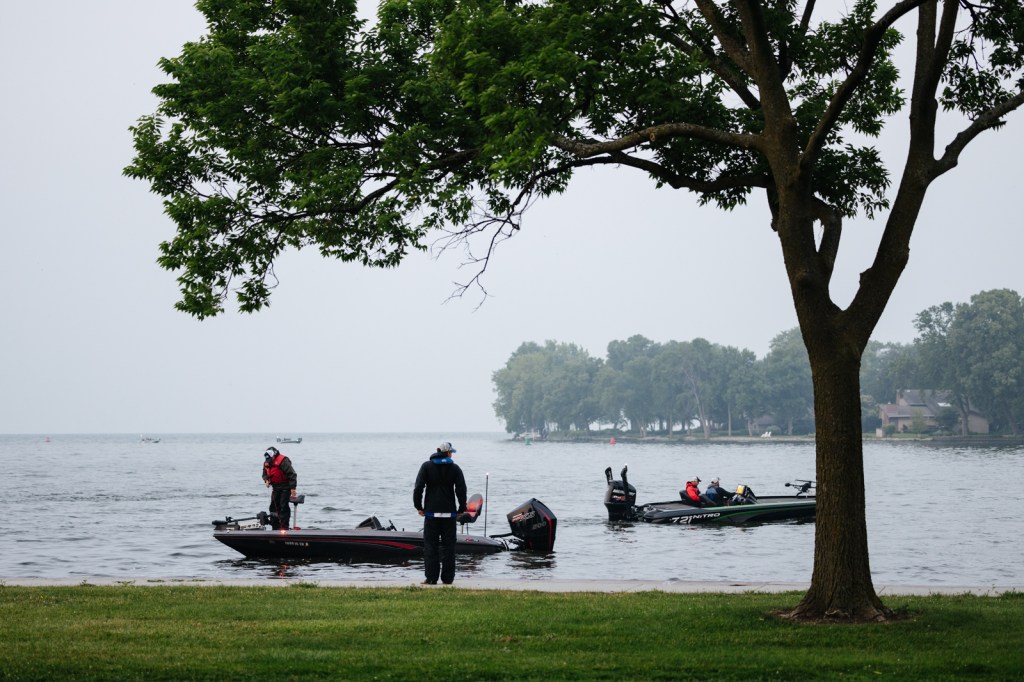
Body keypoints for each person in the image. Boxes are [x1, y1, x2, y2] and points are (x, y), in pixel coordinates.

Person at [413, 441, 467, 585]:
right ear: (448, 453)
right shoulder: (455, 468)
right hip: (449, 514)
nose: (451, 455)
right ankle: (448, 578)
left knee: (431, 547)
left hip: (431, 514)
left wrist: (418, 506)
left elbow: (418, 487)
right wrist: (461, 509)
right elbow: (461, 489)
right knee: (449, 547)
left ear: (437, 451)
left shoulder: (426, 466)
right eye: (451, 452)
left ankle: (431, 578)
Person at [262, 446, 297, 530]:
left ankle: (284, 527)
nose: (269, 461)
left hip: (285, 487)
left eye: (270, 459)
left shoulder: (283, 461)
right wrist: (266, 480)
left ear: (273, 456)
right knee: (273, 507)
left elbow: (292, 474)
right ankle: (275, 527)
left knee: (283, 506)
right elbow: (264, 474)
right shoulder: (266, 462)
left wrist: (293, 488)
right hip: (275, 488)